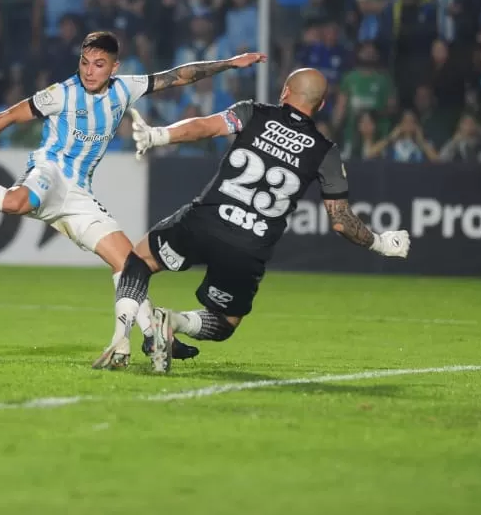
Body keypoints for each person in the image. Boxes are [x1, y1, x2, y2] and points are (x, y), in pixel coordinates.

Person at [0, 31, 267, 366]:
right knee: (17, 202)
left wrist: (231, 63)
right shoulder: (60, 94)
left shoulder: (126, 87)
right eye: (85, 62)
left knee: (129, 263)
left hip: (78, 194)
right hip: (49, 172)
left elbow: (180, 76)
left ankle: (154, 335)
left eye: (99, 64)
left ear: (113, 68)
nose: (89, 70)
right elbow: (10, 116)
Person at [108, 68, 411, 373]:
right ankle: (173, 321)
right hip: (248, 247)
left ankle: (122, 340)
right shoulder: (324, 152)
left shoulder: (253, 113)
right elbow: (341, 220)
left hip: (205, 222)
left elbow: (206, 127)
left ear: (284, 92)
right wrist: (381, 243)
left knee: (139, 259)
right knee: (225, 322)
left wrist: (158, 135)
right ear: (321, 106)